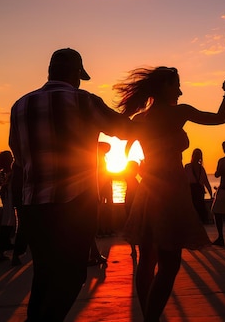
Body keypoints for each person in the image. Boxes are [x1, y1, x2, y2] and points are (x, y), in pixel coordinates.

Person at [9, 48, 135, 321]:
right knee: (72, 275)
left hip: (33, 207)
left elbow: (18, 157)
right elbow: (125, 129)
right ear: (76, 73)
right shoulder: (83, 101)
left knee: (44, 274)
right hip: (74, 205)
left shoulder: (20, 105)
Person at [114, 66, 225, 321]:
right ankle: (151, 318)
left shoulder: (140, 119)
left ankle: (149, 315)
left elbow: (127, 146)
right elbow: (219, 118)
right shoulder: (179, 112)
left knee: (147, 260)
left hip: (148, 190)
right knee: (169, 264)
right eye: (176, 85)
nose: (180, 91)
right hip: (170, 191)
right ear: (163, 87)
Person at [184, 148, 214, 224]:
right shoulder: (189, 167)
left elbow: (206, 182)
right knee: (197, 208)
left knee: (197, 208)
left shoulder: (191, 167)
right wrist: (210, 193)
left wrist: (211, 193)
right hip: (195, 190)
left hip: (196, 191)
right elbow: (206, 182)